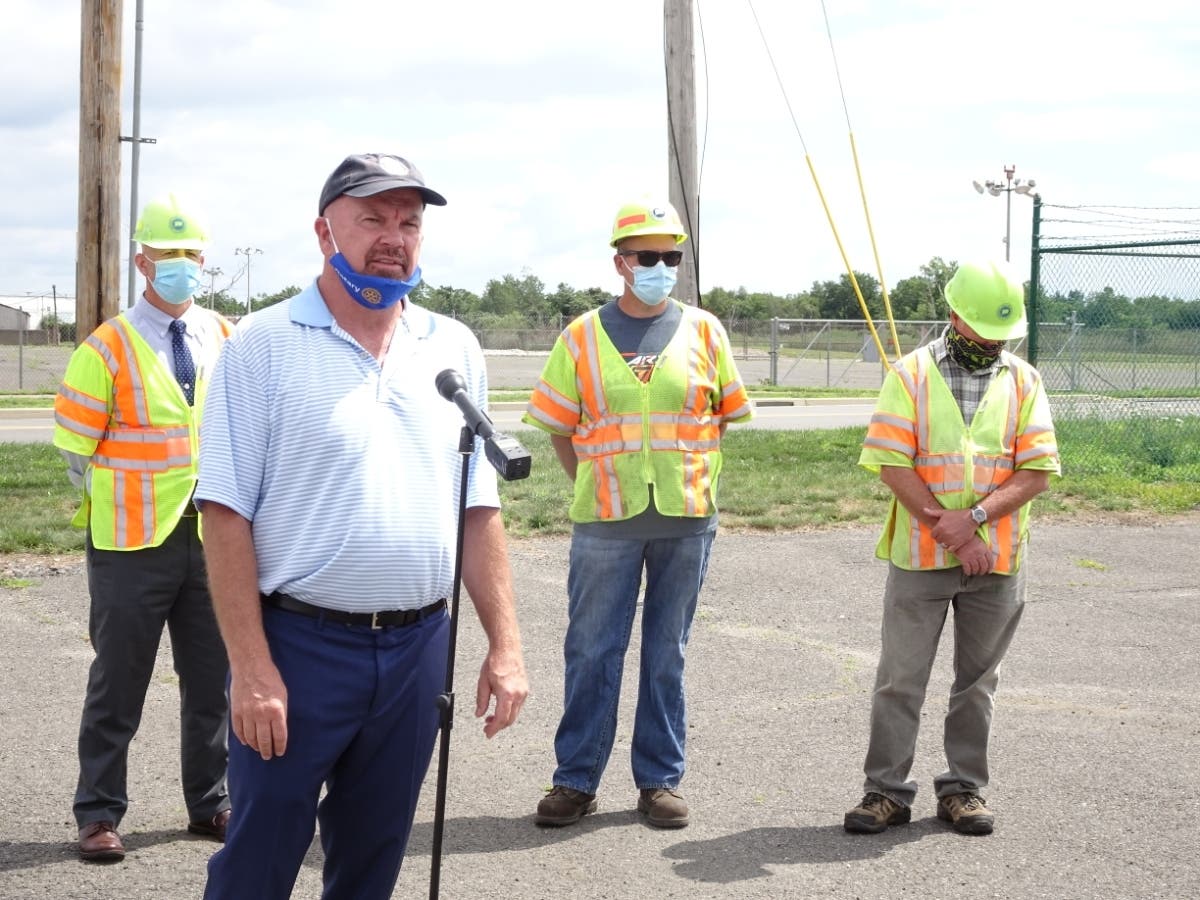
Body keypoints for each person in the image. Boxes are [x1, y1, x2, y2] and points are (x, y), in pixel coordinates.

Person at [195, 152, 528, 900]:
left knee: (373, 862)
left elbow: (478, 508)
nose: (394, 236)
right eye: (372, 218)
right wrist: (251, 668)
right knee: (258, 859)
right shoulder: (263, 343)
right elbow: (223, 514)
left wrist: (505, 645)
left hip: (417, 650)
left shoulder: (452, 347)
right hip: (298, 647)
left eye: (409, 222)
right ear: (324, 231)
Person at [524, 197, 753, 830]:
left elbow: (719, 420)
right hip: (605, 524)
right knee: (592, 652)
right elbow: (560, 430)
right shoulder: (580, 336)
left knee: (666, 654)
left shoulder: (706, 331)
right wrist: (600, 486)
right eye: (648, 256)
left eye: (671, 256)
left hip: (685, 521)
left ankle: (659, 780)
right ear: (620, 262)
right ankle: (575, 780)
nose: (661, 266)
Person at [843, 260, 1060, 837]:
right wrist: (952, 529)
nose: (992, 341)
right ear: (954, 313)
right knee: (900, 679)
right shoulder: (910, 375)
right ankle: (885, 792)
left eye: (1002, 333)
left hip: (998, 561)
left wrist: (977, 521)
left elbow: (1038, 470)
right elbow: (891, 461)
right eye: (983, 327)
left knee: (977, 684)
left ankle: (964, 790)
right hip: (921, 557)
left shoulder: (1024, 380)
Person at [53, 195, 234, 862]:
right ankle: (99, 814)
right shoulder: (106, 347)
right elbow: (76, 452)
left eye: (190, 256)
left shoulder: (225, 335)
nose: (179, 267)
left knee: (212, 682)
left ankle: (209, 803)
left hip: (211, 540)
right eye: (166, 255)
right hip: (132, 543)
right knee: (118, 684)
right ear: (141, 262)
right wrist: (126, 501)